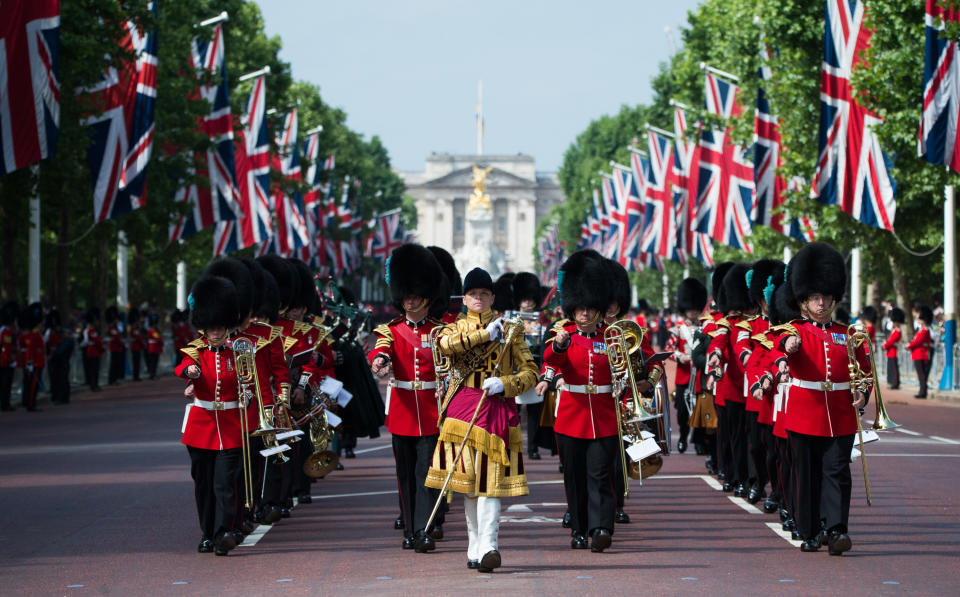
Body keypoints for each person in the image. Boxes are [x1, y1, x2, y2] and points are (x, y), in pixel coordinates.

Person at [425, 267, 538, 573]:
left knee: (491, 481)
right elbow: (445, 347)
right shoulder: (452, 328)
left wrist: (506, 384)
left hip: (496, 408)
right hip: (463, 408)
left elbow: (531, 371)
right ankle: (474, 542)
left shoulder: (513, 330)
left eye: (484, 294)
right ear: (464, 298)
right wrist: (485, 335)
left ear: (492, 297)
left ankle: (489, 544)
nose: (478, 298)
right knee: (468, 483)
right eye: (473, 294)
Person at [542, 250, 644, 553]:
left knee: (600, 475)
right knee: (574, 478)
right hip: (572, 416)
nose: (584, 314)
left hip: (603, 416)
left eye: (590, 308)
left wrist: (624, 387)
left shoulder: (612, 338)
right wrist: (559, 345)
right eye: (580, 309)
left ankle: (601, 528)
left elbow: (624, 371)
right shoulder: (565, 335)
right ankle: (578, 528)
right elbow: (548, 358)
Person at [778, 242, 870, 555]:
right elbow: (779, 344)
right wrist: (788, 346)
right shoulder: (794, 329)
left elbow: (864, 371)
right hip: (805, 411)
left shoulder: (847, 333)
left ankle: (837, 529)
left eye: (826, 297)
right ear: (803, 300)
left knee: (838, 472)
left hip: (841, 414)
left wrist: (862, 392)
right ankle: (810, 531)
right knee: (807, 475)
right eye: (816, 297)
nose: (821, 302)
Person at [368, 244, 449, 552]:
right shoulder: (392, 329)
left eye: (415, 296)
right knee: (405, 475)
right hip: (403, 412)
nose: (411, 300)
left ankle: (423, 530)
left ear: (426, 297)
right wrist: (380, 362)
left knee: (427, 474)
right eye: (407, 296)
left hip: (431, 412)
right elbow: (381, 348)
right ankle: (409, 529)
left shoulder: (441, 332)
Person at [176, 275, 246, 556]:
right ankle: (207, 532)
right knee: (204, 485)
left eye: (219, 327)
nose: (215, 332)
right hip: (201, 427)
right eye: (211, 328)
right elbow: (183, 366)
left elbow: (249, 380)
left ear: (227, 325)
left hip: (230, 426)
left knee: (225, 484)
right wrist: (190, 374)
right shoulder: (196, 351)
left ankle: (224, 532)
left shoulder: (239, 352)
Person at [669, 278, 709, 455]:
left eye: (695, 308)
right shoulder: (677, 329)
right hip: (684, 376)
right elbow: (669, 350)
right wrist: (681, 357)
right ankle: (684, 437)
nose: (692, 312)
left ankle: (699, 440)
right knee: (683, 413)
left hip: (700, 376)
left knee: (700, 409)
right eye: (689, 309)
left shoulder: (706, 327)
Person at [18, 302, 45, 411]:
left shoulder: (36, 334)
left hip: (37, 362)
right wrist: (29, 363)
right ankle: (31, 404)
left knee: (33, 385)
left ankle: (31, 403)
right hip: (35, 362)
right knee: (33, 385)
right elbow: (30, 350)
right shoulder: (35, 335)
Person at [46, 308, 73, 405]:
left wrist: (54, 353)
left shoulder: (66, 338)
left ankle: (62, 398)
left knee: (62, 379)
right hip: (57, 361)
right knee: (56, 379)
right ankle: (57, 396)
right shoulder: (53, 334)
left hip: (62, 361)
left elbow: (61, 350)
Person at [907, 306, 933, 399]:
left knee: (922, 374)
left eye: (920, 318)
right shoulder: (921, 330)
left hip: (920, 355)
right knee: (921, 374)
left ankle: (923, 392)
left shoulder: (925, 330)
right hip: (918, 354)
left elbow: (918, 341)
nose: (918, 319)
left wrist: (908, 346)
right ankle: (922, 391)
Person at [80, 308, 104, 391]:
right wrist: (102, 348)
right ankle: (94, 385)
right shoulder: (91, 330)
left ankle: (94, 385)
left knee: (93, 370)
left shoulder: (89, 330)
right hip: (94, 352)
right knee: (94, 370)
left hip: (91, 351)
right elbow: (97, 341)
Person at [0, 302, 19, 412]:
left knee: (7, 384)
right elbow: (4, 347)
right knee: (4, 384)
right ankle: (4, 404)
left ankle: (6, 403)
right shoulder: (3, 331)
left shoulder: (9, 331)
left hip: (8, 361)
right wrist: (9, 358)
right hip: (4, 361)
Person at [883, 307, 905, 390]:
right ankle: (892, 382)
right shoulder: (895, 330)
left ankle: (895, 383)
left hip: (893, 351)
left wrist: (884, 345)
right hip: (890, 351)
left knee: (894, 368)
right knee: (891, 367)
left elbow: (891, 341)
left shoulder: (897, 331)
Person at [105, 306, 126, 385]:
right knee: (113, 364)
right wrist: (121, 343)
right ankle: (112, 379)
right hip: (114, 347)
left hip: (117, 347)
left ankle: (114, 379)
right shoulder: (111, 327)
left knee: (116, 364)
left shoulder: (114, 327)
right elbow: (116, 338)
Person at [128, 308, 145, 382]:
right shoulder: (134, 328)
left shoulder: (135, 328)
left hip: (137, 347)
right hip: (135, 347)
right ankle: (135, 376)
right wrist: (143, 343)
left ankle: (136, 375)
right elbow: (138, 337)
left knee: (137, 362)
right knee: (136, 363)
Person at [145, 314, 164, 379]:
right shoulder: (152, 331)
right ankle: (152, 375)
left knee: (153, 362)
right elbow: (158, 339)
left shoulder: (152, 331)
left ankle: (153, 374)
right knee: (153, 362)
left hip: (153, 348)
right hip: (154, 348)